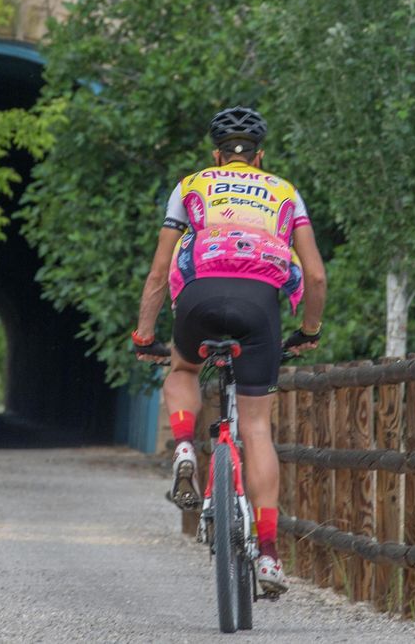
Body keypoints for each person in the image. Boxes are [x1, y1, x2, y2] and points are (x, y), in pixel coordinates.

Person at [131, 106, 328, 596]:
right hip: (259, 304)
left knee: (182, 369)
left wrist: (143, 336)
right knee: (257, 428)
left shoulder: (191, 185)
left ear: (216, 154)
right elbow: (317, 275)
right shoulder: (284, 191)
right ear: (259, 156)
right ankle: (268, 556)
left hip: (198, 297)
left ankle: (183, 448)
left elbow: (159, 272)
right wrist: (309, 330)